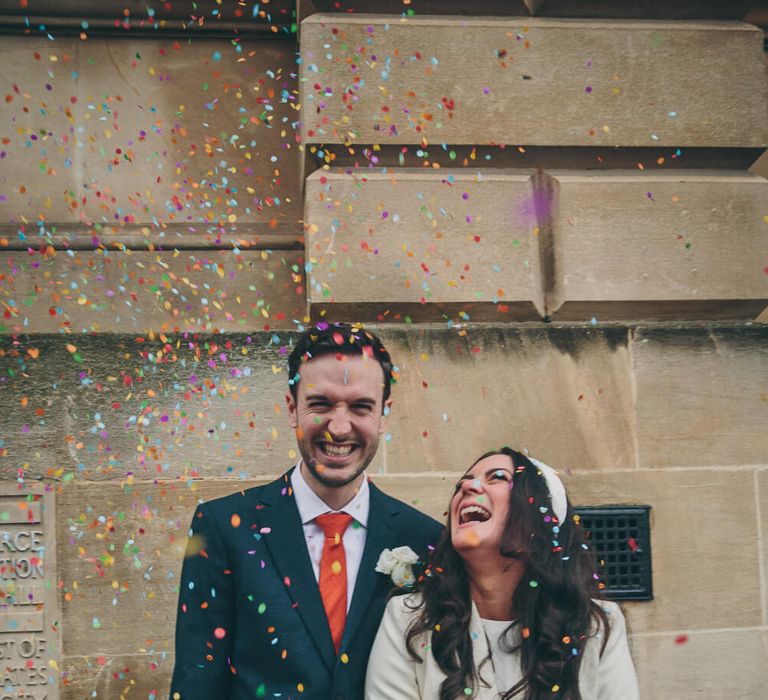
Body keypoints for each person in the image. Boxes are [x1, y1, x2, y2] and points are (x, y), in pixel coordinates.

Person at [170, 322, 442, 699]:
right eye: (321, 404)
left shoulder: (424, 538)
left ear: (383, 415)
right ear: (292, 408)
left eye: (361, 407)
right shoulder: (223, 527)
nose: (339, 426)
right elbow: (198, 680)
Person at [365, 447, 640, 700]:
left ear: (538, 517)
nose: (466, 486)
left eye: (497, 477)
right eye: (464, 481)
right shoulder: (408, 619)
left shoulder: (596, 627)